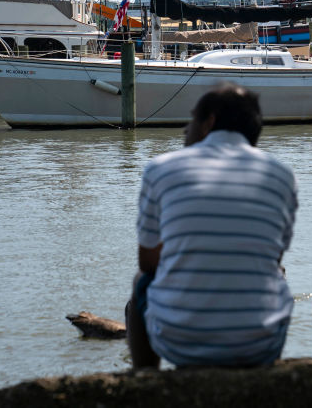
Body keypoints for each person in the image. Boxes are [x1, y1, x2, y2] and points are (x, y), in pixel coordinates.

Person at [127, 85, 298, 368]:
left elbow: (147, 264)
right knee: (276, 274)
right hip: (259, 344)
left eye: (192, 119)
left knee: (138, 281)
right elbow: (274, 258)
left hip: (178, 343)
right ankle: (264, 381)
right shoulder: (281, 174)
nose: (185, 129)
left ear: (209, 123)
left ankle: (145, 377)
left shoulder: (159, 169)